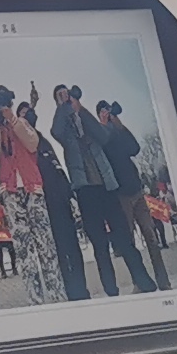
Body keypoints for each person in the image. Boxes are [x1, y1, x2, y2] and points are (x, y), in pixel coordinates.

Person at [51, 83, 130, 297]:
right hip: (85, 189)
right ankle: (111, 289)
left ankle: (142, 280)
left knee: (123, 236)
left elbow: (103, 136)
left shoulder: (84, 118)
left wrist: (80, 108)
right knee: (99, 244)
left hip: (106, 184)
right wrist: (63, 107)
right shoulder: (63, 128)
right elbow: (55, 131)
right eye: (61, 95)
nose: (66, 97)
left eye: (67, 93)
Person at [0, 85, 60, 303]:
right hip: (10, 191)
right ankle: (35, 299)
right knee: (23, 248)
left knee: (45, 244)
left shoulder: (22, 122)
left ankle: (56, 295)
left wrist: (12, 118)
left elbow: (32, 144)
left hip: (32, 188)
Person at [89, 98, 163, 291]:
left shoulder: (118, 131)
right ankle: (139, 281)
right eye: (103, 111)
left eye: (107, 110)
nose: (107, 113)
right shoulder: (100, 136)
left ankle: (163, 281)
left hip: (136, 189)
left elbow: (134, 148)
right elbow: (101, 155)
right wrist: (103, 126)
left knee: (151, 236)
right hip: (120, 194)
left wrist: (120, 126)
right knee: (129, 240)